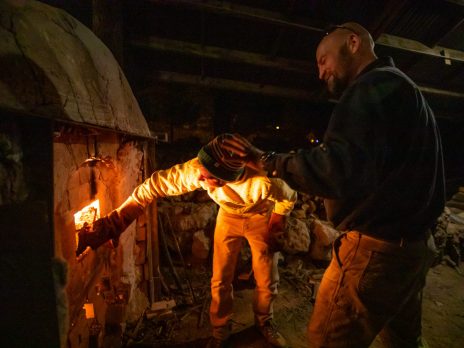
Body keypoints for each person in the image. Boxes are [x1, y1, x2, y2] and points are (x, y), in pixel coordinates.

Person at [222, 22, 445, 348]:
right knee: (403, 340)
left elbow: (334, 168)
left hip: (374, 253)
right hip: (413, 248)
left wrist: (270, 161)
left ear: (353, 43)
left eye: (323, 60)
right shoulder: (407, 90)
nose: (320, 72)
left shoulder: (370, 88)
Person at [76, 134, 297, 348]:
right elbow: (153, 186)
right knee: (220, 279)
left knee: (267, 278)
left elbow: (288, 197)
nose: (199, 177)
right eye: (201, 169)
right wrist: (117, 221)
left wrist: (276, 225)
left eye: (207, 176)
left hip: (260, 216)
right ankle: (220, 331)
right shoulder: (198, 169)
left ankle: (264, 322)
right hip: (228, 216)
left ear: (225, 180)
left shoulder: (266, 182)